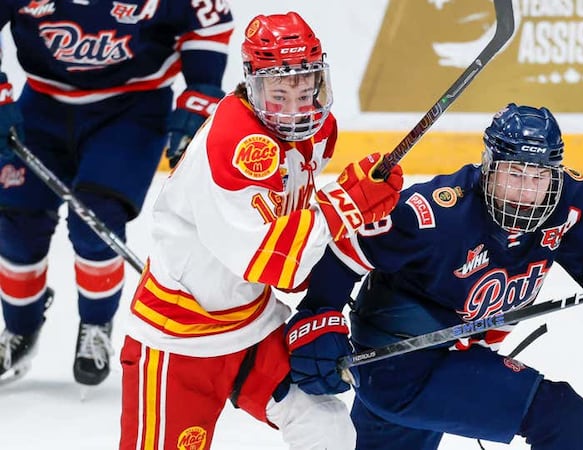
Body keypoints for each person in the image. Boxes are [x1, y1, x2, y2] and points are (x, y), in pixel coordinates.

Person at [293, 103, 583, 449]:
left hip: (449, 360)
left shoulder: (566, 202)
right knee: (562, 416)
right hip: (396, 366)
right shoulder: (438, 213)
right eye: (514, 174)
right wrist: (319, 315)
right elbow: (346, 250)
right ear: (489, 167)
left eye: (539, 176)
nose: (527, 191)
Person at [118, 12, 403, 450]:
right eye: (279, 93)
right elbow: (267, 261)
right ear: (253, 85)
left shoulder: (317, 131)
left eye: (306, 90)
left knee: (326, 427)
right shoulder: (234, 144)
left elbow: (296, 219)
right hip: (179, 341)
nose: (295, 109)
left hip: (251, 324)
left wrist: (355, 209)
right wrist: (346, 204)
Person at [0, 0, 234, 387]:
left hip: (132, 110)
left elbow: (206, 25)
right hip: (42, 106)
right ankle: (19, 328)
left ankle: (95, 324)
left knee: (95, 220)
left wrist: (200, 93)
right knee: (16, 222)